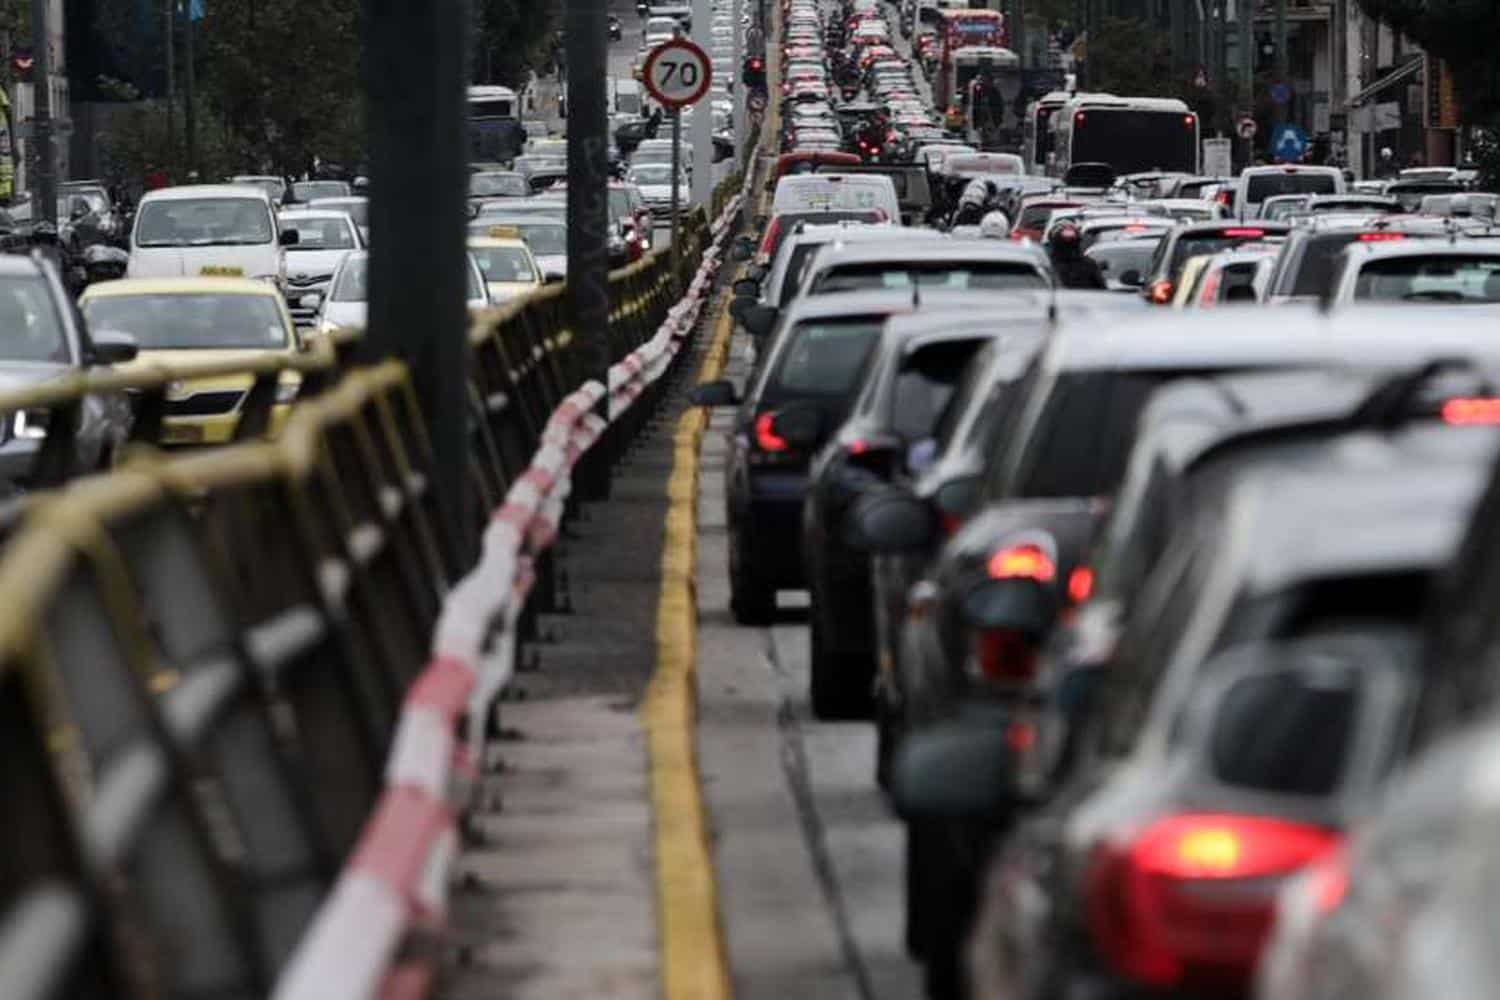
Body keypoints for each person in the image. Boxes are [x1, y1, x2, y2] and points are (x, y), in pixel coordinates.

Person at [1048, 223, 1105, 289]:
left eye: (1071, 240)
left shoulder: (1089, 265)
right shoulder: (1047, 267)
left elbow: (1101, 289)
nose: (1068, 246)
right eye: (1064, 241)